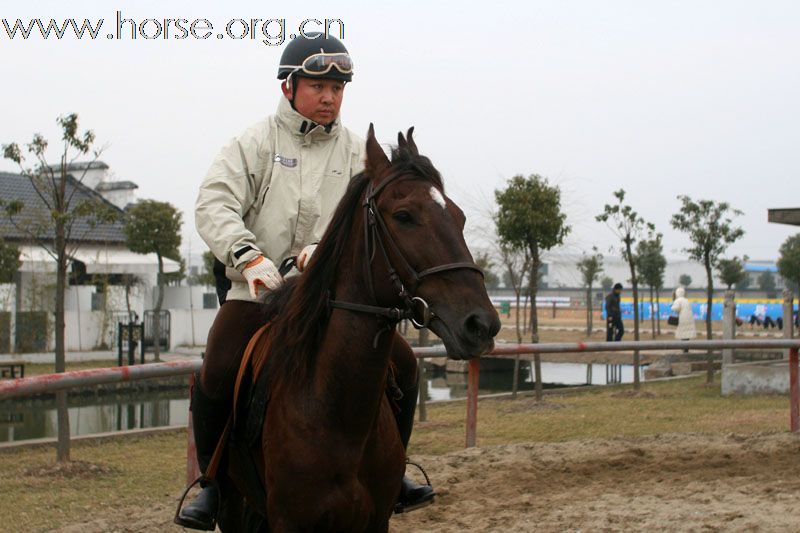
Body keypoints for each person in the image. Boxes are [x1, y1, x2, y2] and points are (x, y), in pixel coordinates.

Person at [176, 33, 433, 530]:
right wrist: (247, 257)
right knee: (219, 365)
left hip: (331, 297)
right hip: (260, 292)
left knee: (403, 363)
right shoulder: (253, 143)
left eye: (338, 87)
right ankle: (211, 484)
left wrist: (330, 253)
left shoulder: (362, 153)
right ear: (289, 85)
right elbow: (214, 202)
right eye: (318, 85)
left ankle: (393, 472)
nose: (330, 97)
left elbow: (369, 223)